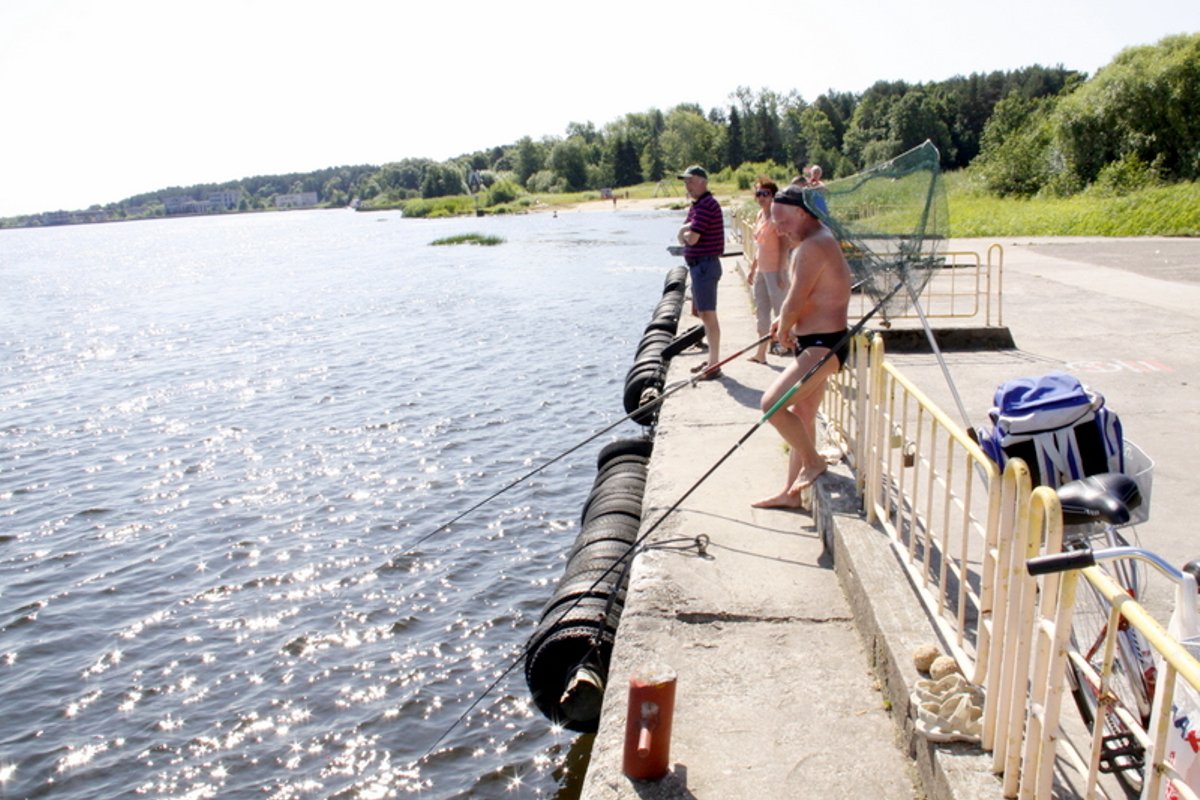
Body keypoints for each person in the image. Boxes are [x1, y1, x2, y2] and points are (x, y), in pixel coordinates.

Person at [752, 180, 852, 509]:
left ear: (800, 212)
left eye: (782, 222)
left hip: (824, 347)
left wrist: (785, 323)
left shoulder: (813, 245)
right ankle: (791, 494)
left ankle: (813, 462)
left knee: (771, 405)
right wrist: (786, 322)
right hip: (817, 342)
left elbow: (794, 300)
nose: (779, 231)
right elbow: (806, 299)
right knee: (802, 412)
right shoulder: (815, 240)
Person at [676, 165, 725, 379]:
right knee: (704, 315)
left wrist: (682, 233)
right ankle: (712, 359)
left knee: (708, 315)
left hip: (705, 266)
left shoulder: (705, 206)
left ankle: (714, 364)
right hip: (699, 266)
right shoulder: (698, 205)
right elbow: (689, 231)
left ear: (703, 182)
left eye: (691, 181)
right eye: (686, 182)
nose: (687, 185)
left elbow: (692, 237)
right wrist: (685, 232)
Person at [744, 177, 789, 364]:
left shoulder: (777, 217)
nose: (761, 197)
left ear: (772, 196)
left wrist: (780, 271)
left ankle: (786, 346)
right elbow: (758, 246)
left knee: (781, 311)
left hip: (775, 270)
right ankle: (760, 353)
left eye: (765, 194)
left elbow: (784, 245)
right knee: (761, 312)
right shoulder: (760, 216)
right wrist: (753, 269)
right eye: (758, 194)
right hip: (762, 270)